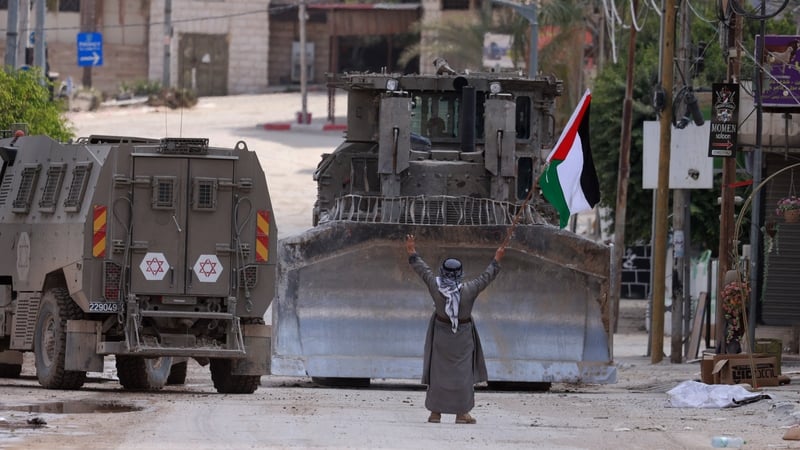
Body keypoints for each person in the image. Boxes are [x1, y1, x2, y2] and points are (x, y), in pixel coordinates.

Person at [405, 234, 505, 424]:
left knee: (437, 372)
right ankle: (461, 414)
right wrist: (497, 259)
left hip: (440, 335)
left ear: (442, 272)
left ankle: (435, 413)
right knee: (463, 374)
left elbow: (423, 270)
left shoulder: (436, 286)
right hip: (463, 336)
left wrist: (411, 251)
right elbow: (487, 277)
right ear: (461, 273)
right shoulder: (470, 289)